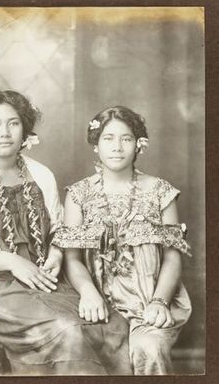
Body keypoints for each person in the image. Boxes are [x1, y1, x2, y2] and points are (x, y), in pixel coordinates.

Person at [0, 91, 132, 375]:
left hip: (50, 282)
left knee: (112, 327)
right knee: (66, 331)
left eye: (13, 123)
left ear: (25, 129)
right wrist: (12, 261)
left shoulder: (42, 175)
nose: (4, 132)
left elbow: (59, 231)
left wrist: (55, 252)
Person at [52, 106, 192, 375]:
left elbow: (173, 257)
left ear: (139, 144)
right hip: (97, 302)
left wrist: (159, 301)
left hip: (150, 299)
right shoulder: (79, 195)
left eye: (126, 139)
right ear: (96, 145)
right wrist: (88, 292)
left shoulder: (160, 191)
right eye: (108, 138)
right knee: (78, 346)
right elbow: (72, 257)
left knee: (148, 348)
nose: (117, 147)